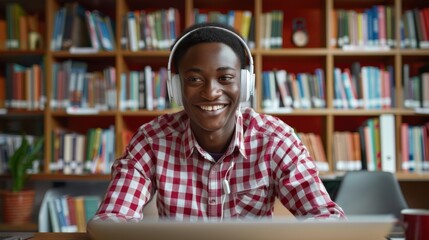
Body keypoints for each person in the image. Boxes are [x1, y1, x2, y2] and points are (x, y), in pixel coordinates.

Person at [89, 22, 345, 223]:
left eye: (225, 78)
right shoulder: (152, 140)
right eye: (194, 80)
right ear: (176, 88)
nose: (211, 93)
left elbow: (325, 217)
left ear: (245, 85)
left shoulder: (276, 139)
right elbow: (112, 219)